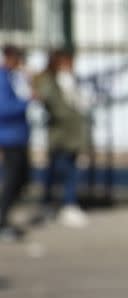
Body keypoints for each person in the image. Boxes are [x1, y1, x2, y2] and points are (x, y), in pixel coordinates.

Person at [34, 48, 91, 227]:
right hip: (60, 135)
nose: (71, 66)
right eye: (68, 62)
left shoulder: (69, 80)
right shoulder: (50, 80)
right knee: (59, 170)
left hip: (73, 134)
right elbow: (52, 103)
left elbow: (80, 103)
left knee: (70, 170)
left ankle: (66, 203)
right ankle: (56, 204)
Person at [0, 45, 31, 242]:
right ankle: (1, 221)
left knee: (21, 179)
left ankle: (4, 218)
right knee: (13, 180)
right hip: (9, 137)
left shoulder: (14, 77)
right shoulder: (3, 78)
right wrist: (27, 101)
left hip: (18, 136)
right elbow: (4, 109)